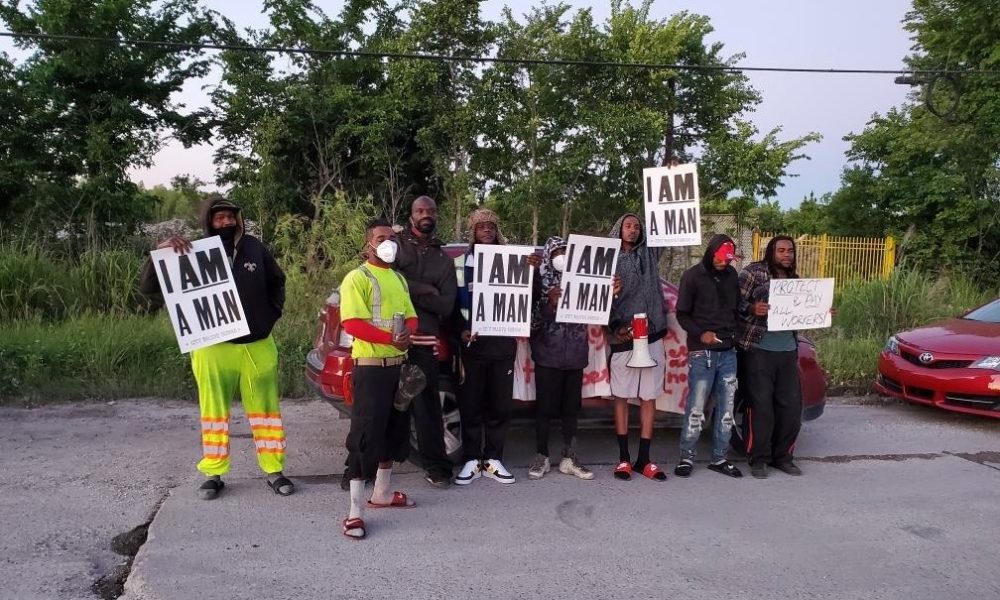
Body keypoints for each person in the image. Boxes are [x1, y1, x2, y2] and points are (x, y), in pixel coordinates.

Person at [138, 195, 294, 500]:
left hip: (257, 345)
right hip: (212, 348)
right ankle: (214, 473)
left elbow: (278, 281)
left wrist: (270, 315)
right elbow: (148, 288)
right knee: (214, 414)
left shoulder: (254, 248)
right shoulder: (189, 251)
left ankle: (273, 470)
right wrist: (159, 253)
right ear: (208, 222)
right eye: (218, 218)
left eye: (230, 217)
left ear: (238, 218)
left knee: (266, 413)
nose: (225, 222)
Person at [338, 218, 420, 540]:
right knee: (365, 436)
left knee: (395, 432)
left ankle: (382, 494)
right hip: (371, 367)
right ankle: (355, 512)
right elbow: (353, 324)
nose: (388, 243)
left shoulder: (399, 278)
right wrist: (392, 338)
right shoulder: (357, 278)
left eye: (392, 238)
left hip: (398, 366)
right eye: (381, 237)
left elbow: (411, 317)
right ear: (368, 243)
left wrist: (406, 336)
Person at [394, 195, 458, 488]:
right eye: (420, 210)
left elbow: (446, 305)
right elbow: (384, 280)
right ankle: (359, 467)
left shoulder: (443, 260)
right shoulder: (394, 247)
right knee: (378, 405)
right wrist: (425, 289)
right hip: (390, 338)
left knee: (426, 406)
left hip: (425, 341)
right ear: (411, 215)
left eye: (430, 210)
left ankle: (437, 467)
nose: (425, 214)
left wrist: (410, 290)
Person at [452, 208, 518, 485]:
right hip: (472, 346)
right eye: (482, 227)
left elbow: (528, 297)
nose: (487, 230)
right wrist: (461, 330)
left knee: (499, 405)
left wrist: (531, 268)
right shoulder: (459, 264)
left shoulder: (513, 261)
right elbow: (450, 306)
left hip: (502, 345)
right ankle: (470, 459)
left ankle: (493, 459)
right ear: (474, 233)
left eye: (492, 226)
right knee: (470, 405)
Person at [674, 234, 743, 479]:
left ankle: (719, 457)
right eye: (722, 258)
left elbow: (737, 308)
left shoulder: (732, 275)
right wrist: (700, 334)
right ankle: (686, 457)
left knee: (726, 410)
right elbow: (681, 314)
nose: (725, 263)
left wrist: (735, 333)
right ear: (711, 252)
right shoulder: (692, 276)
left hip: (728, 352)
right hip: (702, 353)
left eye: (729, 259)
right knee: (696, 407)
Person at [607, 213, 668, 481]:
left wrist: (667, 176)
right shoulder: (605, 261)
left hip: (652, 337)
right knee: (621, 397)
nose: (633, 230)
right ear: (618, 229)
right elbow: (594, 301)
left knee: (648, 398)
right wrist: (614, 322)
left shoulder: (650, 255)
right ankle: (623, 458)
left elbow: (666, 226)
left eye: (637, 226)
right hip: (624, 338)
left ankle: (644, 459)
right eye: (628, 225)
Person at [737, 235, 804, 479]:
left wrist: (821, 312)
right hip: (759, 350)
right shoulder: (753, 273)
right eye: (782, 250)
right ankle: (758, 459)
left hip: (787, 351)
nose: (787, 255)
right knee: (760, 407)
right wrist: (751, 308)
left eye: (790, 251)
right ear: (771, 252)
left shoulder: (796, 280)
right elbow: (733, 302)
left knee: (790, 408)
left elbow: (803, 310)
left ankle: (783, 457)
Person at [526, 236, 594, 481]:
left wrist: (611, 292)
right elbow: (530, 323)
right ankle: (541, 455)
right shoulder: (540, 281)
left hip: (575, 355)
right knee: (544, 408)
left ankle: (569, 457)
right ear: (548, 255)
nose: (562, 255)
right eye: (557, 251)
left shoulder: (583, 281)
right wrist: (549, 305)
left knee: (571, 410)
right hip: (547, 355)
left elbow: (600, 310)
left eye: (566, 250)